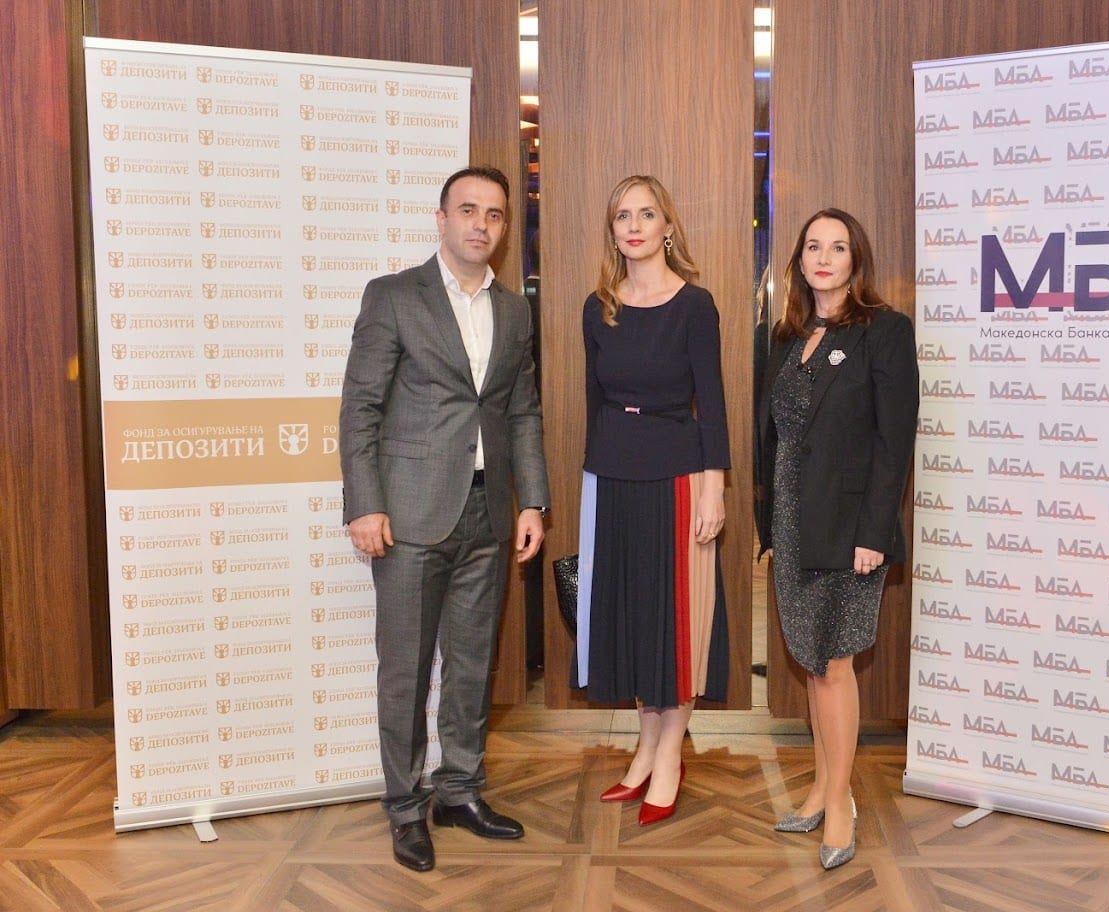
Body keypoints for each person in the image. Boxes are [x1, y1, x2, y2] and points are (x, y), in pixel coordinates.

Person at [339, 166, 551, 872]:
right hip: (408, 515)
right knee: (404, 669)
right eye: (467, 210)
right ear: (441, 218)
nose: (480, 225)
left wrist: (531, 500)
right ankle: (406, 808)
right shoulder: (394, 296)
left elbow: (521, 411)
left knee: (471, 665)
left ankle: (459, 790)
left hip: (488, 514)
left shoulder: (515, 311)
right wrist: (365, 503)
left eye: (494, 214)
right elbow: (360, 408)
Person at [757, 208, 918, 870]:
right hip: (793, 525)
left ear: (856, 260)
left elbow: (893, 441)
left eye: (838, 247)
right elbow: (773, 439)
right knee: (812, 661)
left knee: (834, 664)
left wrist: (875, 532)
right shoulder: (785, 337)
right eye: (813, 247)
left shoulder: (884, 332)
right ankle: (823, 787)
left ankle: (842, 803)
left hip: (850, 530)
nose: (824, 258)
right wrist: (769, 527)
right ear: (798, 260)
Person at [575, 175, 730, 826]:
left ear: (668, 226)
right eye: (622, 216)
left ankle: (670, 756)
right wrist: (591, 486)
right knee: (635, 620)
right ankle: (644, 750)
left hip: (679, 478)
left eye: (646, 214)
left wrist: (715, 488)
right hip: (612, 478)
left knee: (677, 624)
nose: (634, 226)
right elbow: (593, 403)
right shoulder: (599, 307)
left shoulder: (695, 306)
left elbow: (712, 403)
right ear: (612, 231)